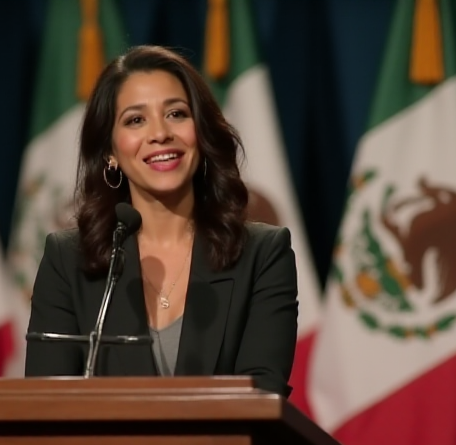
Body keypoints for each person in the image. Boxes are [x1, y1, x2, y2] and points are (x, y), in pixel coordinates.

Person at [24, 45, 299, 397]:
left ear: (200, 131)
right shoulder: (68, 261)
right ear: (109, 152)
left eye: (176, 114)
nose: (160, 133)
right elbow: (45, 406)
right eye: (135, 120)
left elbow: (261, 399)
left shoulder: (262, 255)